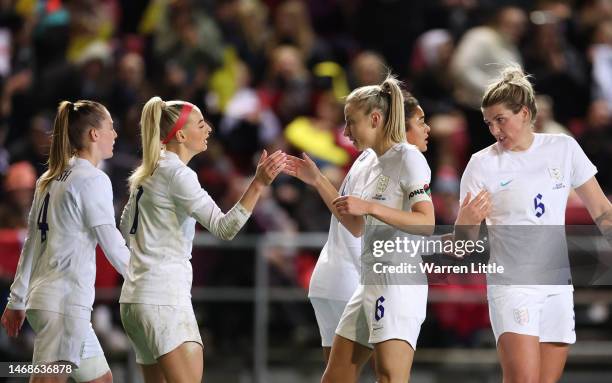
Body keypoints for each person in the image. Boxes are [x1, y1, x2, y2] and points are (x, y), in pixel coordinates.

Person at [459, 64, 612, 383]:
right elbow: (464, 242)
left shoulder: (563, 148)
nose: (495, 130)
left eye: (501, 119)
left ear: (525, 113)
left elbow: (601, 210)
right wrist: (466, 221)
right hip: (513, 285)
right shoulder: (482, 164)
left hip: (557, 285)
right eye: (489, 123)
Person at [118, 97, 286, 383]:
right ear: (181, 135)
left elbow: (124, 228)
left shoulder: (147, 173)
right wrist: (257, 184)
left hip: (134, 299)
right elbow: (225, 228)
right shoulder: (178, 174)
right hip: (164, 298)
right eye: (200, 123)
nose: (208, 128)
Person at [285, 90, 435, 365]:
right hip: (359, 279)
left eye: (350, 121)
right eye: (421, 121)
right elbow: (355, 223)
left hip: (391, 282)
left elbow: (426, 223)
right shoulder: (368, 159)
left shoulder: (408, 157)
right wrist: (319, 181)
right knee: (337, 377)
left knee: (388, 376)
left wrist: (370, 208)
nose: (428, 129)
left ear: (377, 119)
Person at [1, 100, 130, 383]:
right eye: (110, 127)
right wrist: (147, 277)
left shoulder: (50, 178)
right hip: (64, 303)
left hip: (51, 300)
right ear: (94, 134)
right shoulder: (93, 179)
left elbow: (31, 245)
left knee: (101, 380)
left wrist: (17, 299)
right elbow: (111, 242)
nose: (115, 134)